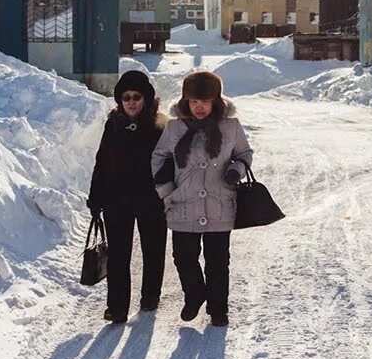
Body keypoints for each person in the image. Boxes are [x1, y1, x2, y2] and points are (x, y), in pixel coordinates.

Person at [151, 70, 252, 328]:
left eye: (205, 102)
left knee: (218, 262)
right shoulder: (175, 127)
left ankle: (219, 310)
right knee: (184, 258)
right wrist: (167, 191)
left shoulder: (231, 126)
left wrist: (235, 171)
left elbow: (244, 154)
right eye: (194, 101)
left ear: (216, 101)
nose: (199, 107)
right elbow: (159, 157)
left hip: (220, 204)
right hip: (183, 204)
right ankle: (194, 296)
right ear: (186, 101)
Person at [87, 70, 168, 325]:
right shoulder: (113, 124)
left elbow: (172, 163)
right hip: (117, 200)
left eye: (136, 97)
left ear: (146, 98)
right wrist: (96, 196)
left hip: (151, 200)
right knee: (119, 255)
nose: (131, 102)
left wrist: (168, 191)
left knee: (153, 250)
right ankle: (117, 307)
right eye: (126, 97)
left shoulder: (161, 125)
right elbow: (102, 161)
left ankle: (150, 296)